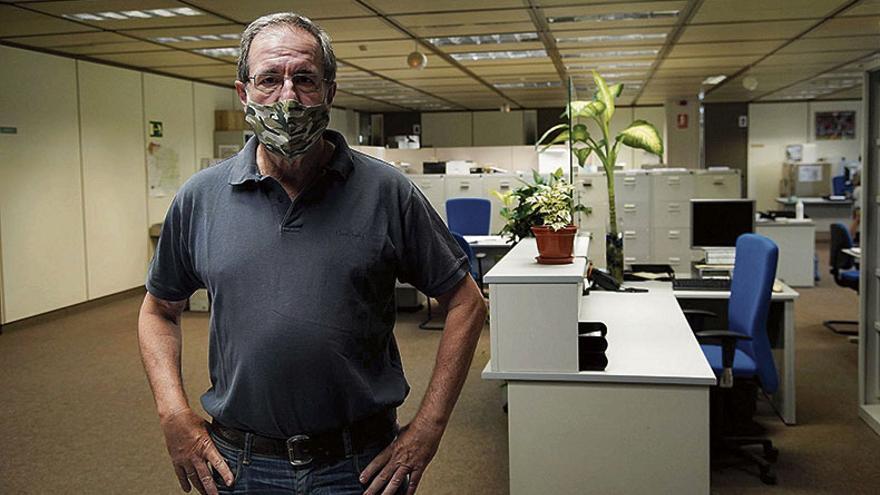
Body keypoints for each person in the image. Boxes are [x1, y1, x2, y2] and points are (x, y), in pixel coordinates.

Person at [138, 12, 487, 495]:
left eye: (304, 79)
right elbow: (158, 310)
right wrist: (173, 414)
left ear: (329, 91)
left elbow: (466, 302)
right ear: (244, 93)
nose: (287, 97)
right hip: (240, 465)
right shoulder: (201, 197)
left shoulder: (386, 191)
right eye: (269, 80)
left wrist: (429, 427)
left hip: (360, 466)